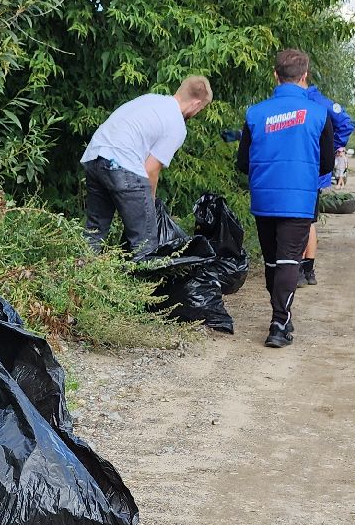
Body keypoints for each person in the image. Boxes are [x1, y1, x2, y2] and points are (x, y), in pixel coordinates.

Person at [237, 49, 335, 348]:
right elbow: (327, 164)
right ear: (305, 76)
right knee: (288, 261)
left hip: (265, 198)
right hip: (299, 199)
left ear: (275, 75)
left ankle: (281, 317)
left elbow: (242, 162)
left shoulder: (255, 113)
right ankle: (279, 324)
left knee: (271, 262)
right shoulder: (319, 114)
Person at [80, 77, 213, 256]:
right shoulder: (176, 124)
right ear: (196, 104)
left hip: (94, 157)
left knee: (95, 232)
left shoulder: (151, 99)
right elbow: (151, 169)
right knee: (145, 243)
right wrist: (150, 206)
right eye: (201, 108)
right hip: (123, 164)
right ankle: (142, 283)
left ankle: (80, 278)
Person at [301, 84, 355, 285]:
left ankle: (305, 268)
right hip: (301, 170)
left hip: (311, 170)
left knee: (304, 221)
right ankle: (306, 269)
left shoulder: (319, 102)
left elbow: (346, 123)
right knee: (307, 221)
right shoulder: (304, 100)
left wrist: (328, 148)